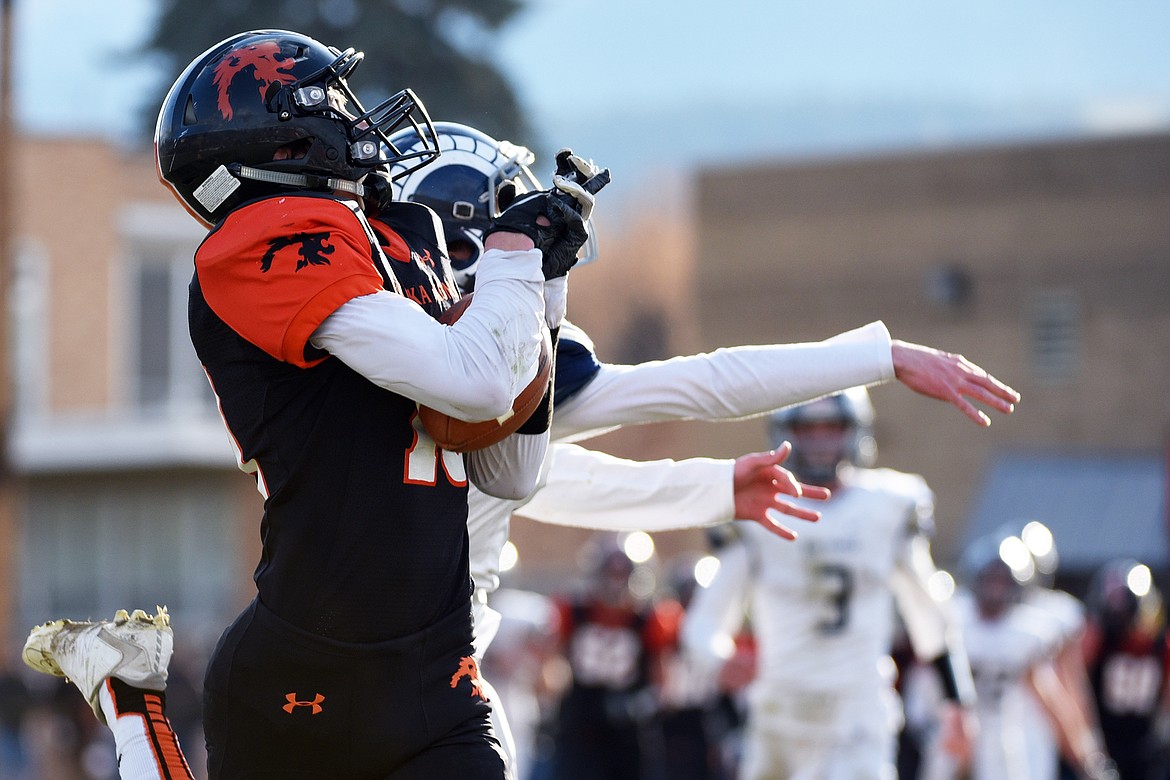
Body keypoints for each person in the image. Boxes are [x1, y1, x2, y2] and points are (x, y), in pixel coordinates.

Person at [24, 117, 1021, 779]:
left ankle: (128, 697)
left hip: (438, 680)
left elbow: (563, 459)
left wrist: (866, 361)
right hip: (338, 660)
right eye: (518, 233)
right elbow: (538, 456)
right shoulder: (373, 336)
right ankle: (129, 703)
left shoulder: (457, 344)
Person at [24, 28, 604, 780]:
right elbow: (479, 382)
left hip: (439, 683)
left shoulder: (398, 236)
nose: (355, 120)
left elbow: (510, 468)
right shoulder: (262, 243)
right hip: (305, 680)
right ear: (283, 141)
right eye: (328, 102)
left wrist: (546, 286)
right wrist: (513, 256)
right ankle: (130, 701)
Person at [678, 388, 977, 780]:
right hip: (780, 715)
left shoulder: (889, 504)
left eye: (831, 428)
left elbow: (930, 615)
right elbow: (705, 619)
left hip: (857, 713)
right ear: (786, 434)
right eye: (809, 430)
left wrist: (957, 700)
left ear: (855, 432)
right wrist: (719, 658)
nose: (820, 441)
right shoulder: (758, 507)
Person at [948, 533, 1117, 780]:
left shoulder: (1028, 631)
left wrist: (1085, 752)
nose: (994, 591)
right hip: (956, 730)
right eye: (990, 580)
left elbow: (1053, 694)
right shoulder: (956, 619)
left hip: (1013, 739)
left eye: (1002, 581)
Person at [1082, 559, 1170, 780]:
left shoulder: (1161, 646)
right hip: (1103, 743)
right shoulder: (1097, 640)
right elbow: (1077, 685)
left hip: (1145, 743)